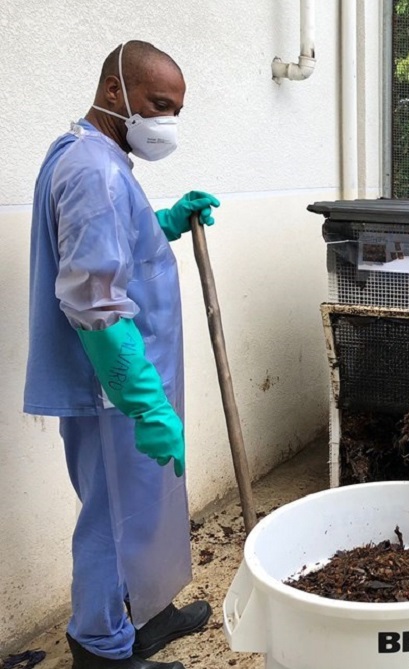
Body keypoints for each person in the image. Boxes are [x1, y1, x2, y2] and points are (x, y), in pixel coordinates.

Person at [24, 41, 222, 669]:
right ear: (115, 90)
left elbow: (112, 246)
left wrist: (164, 222)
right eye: (159, 105)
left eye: (176, 111)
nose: (168, 123)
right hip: (114, 388)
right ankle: (100, 649)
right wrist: (146, 405)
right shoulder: (94, 171)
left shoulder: (98, 157)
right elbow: (95, 303)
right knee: (112, 522)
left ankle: (144, 616)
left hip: (132, 383)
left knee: (139, 511)